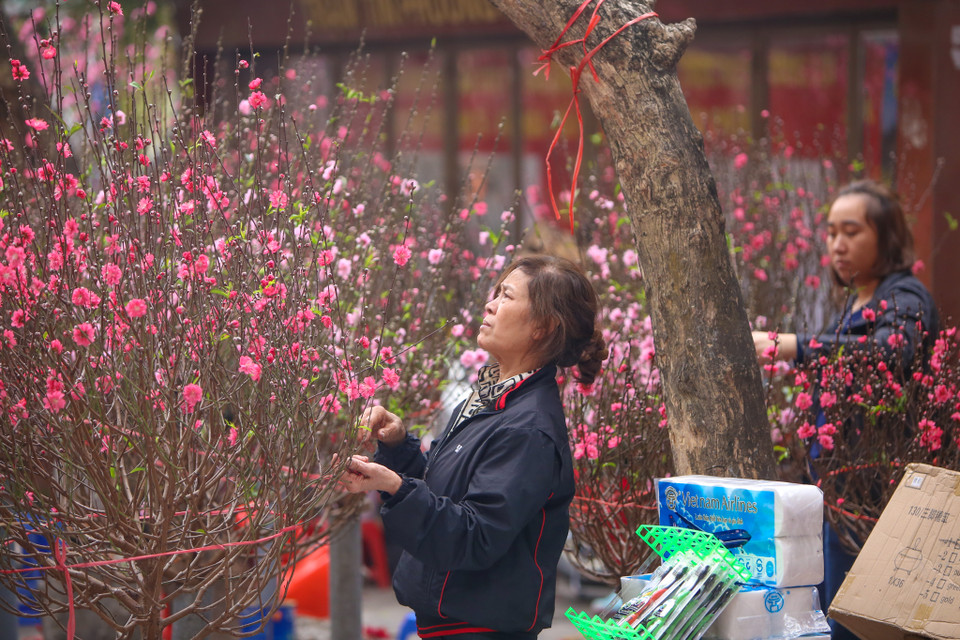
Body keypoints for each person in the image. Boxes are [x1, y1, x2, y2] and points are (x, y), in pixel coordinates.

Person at [340, 255, 608, 639]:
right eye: (496, 292)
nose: (491, 304)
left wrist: (394, 486)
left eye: (507, 297)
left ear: (542, 327)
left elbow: (474, 536)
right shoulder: (493, 398)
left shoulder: (529, 428)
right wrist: (398, 446)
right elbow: (444, 495)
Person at [752, 179, 940, 640]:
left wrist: (793, 346)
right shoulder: (859, 300)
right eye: (832, 232)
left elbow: (889, 352)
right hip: (838, 493)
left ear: (886, 236)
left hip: (874, 496)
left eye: (851, 231)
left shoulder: (906, 297)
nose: (837, 244)